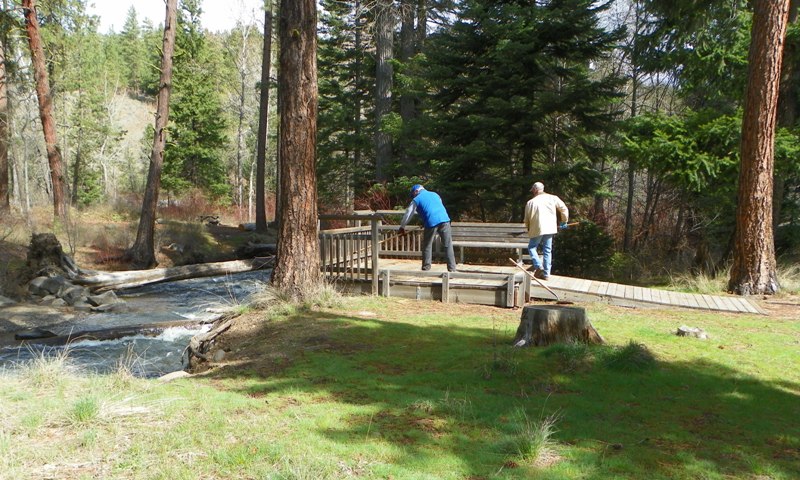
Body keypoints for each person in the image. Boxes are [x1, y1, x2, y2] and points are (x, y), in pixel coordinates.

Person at [398, 184, 457, 272]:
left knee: (427, 245)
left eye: (413, 194)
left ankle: (426, 268)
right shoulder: (435, 194)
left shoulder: (416, 199)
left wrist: (402, 227)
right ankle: (452, 269)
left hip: (431, 222)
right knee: (448, 245)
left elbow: (408, 214)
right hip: (445, 220)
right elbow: (436, 207)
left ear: (416, 191)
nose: (413, 196)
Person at [523, 181, 569, 280]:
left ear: (535, 190)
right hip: (550, 227)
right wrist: (564, 221)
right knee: (547, 250)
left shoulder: (530, 203)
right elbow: (564, 209)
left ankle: (538, 266)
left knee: (531, 247)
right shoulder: (553, 198)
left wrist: (528, 229)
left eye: (533, 190)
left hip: (537, 228)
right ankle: (547, 274)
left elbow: (526, 220)